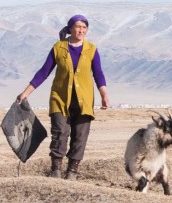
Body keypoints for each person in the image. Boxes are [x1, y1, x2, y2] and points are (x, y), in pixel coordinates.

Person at [17, 14, 110, 180]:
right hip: (60, 98)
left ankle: (72, 172)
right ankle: (56, 170)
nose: (81, 30)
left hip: (84, 101)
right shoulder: (58, 48)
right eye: (78, 27)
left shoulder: (92, 49)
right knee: (60, 133)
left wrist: (104, 95)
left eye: (84, 27)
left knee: (80, 136)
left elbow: (99, 74)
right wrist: (25, 93)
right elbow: (43, 72)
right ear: (70, 28)